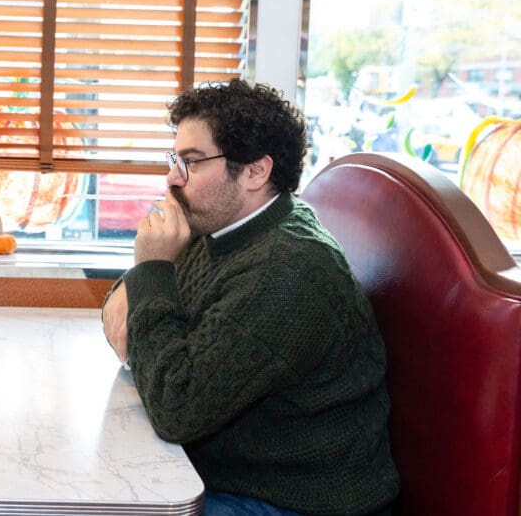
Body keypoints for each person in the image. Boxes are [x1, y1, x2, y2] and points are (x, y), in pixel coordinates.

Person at [102, 79, 399, 516]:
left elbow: (173, 406)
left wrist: (152, 270)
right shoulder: (220, 228)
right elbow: (124, 321)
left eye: (191, 162)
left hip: (294, 502)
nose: (171, 177)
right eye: (174, 159)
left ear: (256, 171)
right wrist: (150, 279)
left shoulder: (289, 269)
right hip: (237, 475)